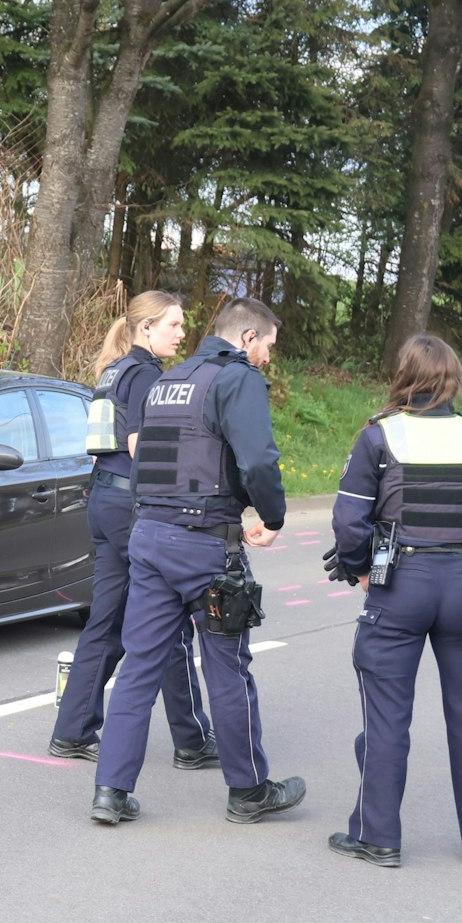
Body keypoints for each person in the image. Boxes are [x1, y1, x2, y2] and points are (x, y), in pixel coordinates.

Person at [90, 296, 304, 826]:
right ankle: (249, 791)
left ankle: (110, 792)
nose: (269, 360)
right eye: (269, 347)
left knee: (140, 665)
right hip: (207, 544)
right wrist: (272, 519)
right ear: (248, 339)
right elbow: (258, 460)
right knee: (227, 666)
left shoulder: (166, 380)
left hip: (150, 536)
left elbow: (143, 461)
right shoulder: (237, 380)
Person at [324, 334, 462, 868]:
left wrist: (359, 567)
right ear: (453, 379)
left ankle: (377, 837)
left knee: (387, 715)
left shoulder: (379, 437)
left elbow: (348, 521)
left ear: (405, 375)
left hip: (400, 584)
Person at [50, 291, 217, 769]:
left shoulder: (113, 369)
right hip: (130, 504)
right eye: (174, 325)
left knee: (109, 621)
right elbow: (144, 447)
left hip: (103, 498)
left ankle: (74, 730)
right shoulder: (145, 374)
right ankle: (192, 740)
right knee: (167, 622)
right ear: (146, 328)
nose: (182, 334)